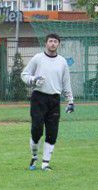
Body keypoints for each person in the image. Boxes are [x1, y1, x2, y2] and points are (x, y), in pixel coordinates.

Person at [21, 33, 74, 171]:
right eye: (50, 41)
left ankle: (45, 163)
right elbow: (24, 75)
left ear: (58, 44)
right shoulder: (38, 58)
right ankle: (34, 156)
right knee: (37, 130)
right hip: (38, 98)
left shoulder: (62, 62)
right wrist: (33, 80)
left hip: (54, 100)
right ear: (46, 43)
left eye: (55, 41)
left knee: (52, 132)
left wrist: (70, 101)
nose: (52, 44)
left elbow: (66, 83)